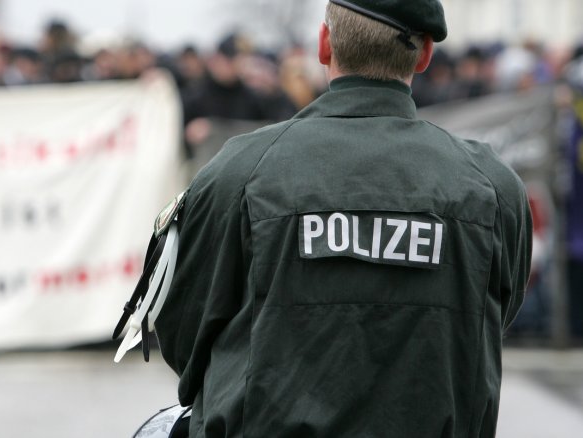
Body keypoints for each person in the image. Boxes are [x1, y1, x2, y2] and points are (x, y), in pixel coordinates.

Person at [151, 1, 532, 436]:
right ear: (425, 54)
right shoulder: (492, 185)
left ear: (324, 44)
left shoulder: (239, 171)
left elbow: (185, 331)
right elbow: (494, 316)